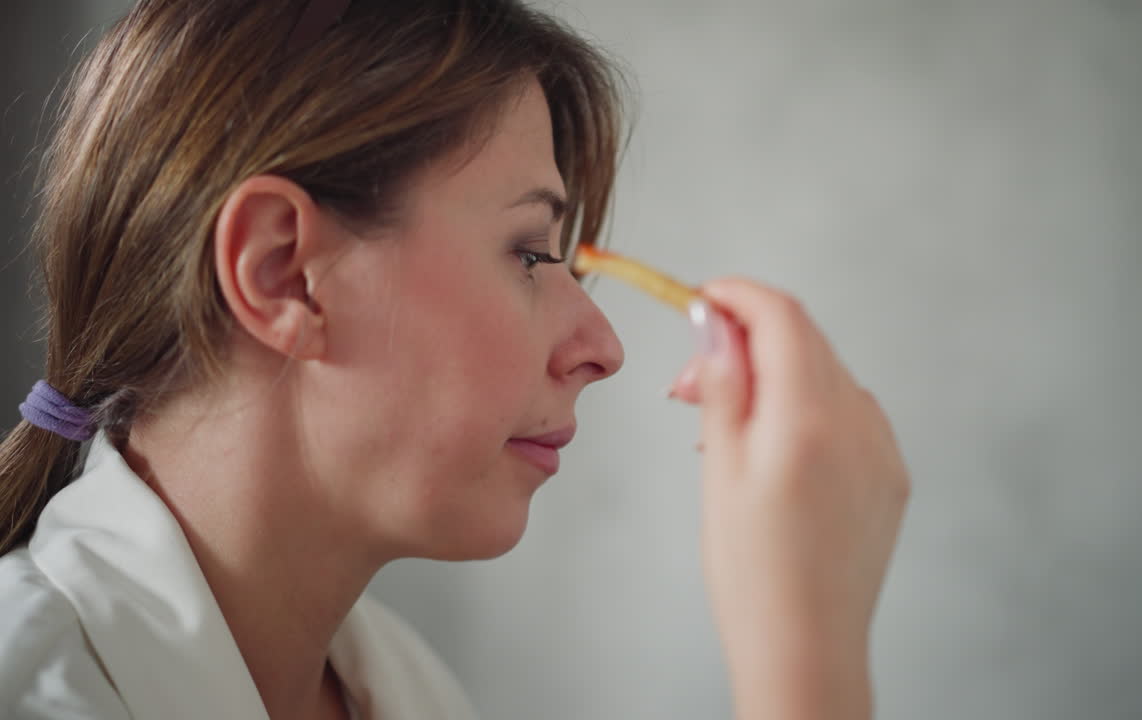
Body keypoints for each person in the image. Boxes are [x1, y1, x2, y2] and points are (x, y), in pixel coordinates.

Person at [0, 0, 911, 718]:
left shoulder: (407, 690)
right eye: (529, 252)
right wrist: (805, 651)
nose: (605, 349)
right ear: (284, 274)